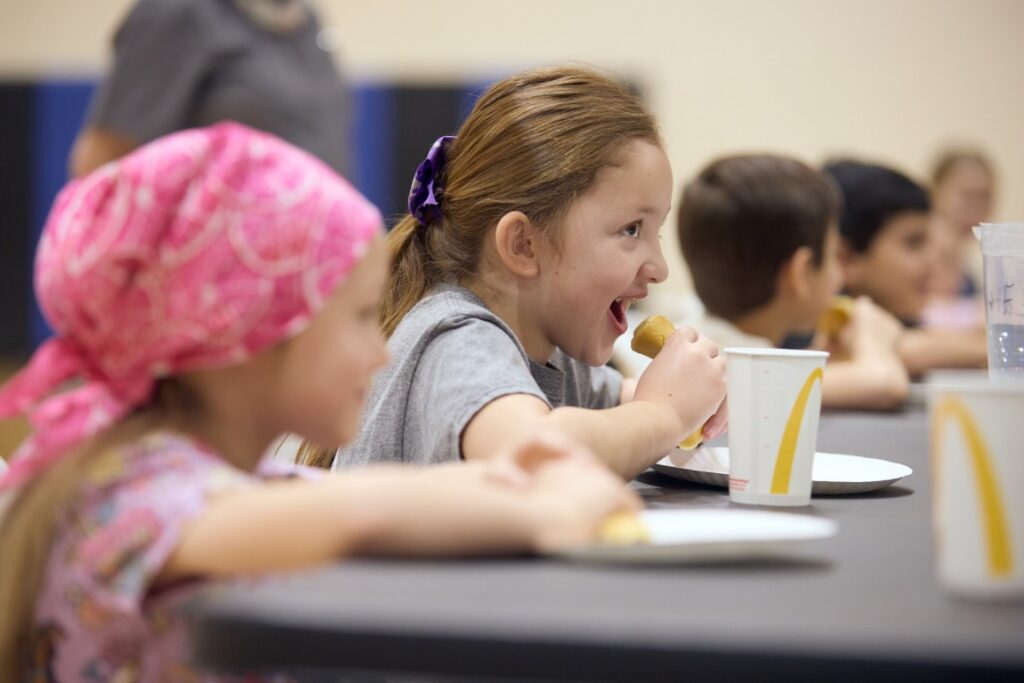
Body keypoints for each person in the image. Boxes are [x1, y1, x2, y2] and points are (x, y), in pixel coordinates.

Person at [0, 123, 637, 682]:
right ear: (247, 334)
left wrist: (513, 477)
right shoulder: (126, 493)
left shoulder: (221, 480)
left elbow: (349, 498)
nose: (380, 353)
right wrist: (543, 509)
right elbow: (357, 513)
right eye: (359, 318)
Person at [319, 66, 728, 480]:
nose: (659, 268)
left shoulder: (550, 352)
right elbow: (534, 455)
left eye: (656, 232)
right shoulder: (459, 340)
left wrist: (700, 393)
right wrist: (667, 411)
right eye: (631, 230)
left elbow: (623, 403)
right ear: (523, 245)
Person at [671, 154, 908, 410]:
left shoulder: (710, 347)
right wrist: (876, 343)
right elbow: (884, 383)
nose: (840, 276)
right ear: (801, 273)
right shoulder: (732, 368)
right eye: (834, 257)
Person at [70, 0, 351, 177]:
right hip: (216, 250)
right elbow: (103, 163)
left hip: (317, 249)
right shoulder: (179, 11)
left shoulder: (304, 20)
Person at [824, 159, 988, 375]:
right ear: (847, 259)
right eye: (913, 243)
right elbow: (904, 348)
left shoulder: (905, 319)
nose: (932, 260)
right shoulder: (826, 324)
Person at [927, 148, 996, 299]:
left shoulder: (966, 256)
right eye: (967, 194)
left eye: (984, 196)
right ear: (936, 192)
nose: (976, 205)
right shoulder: (925, 252)